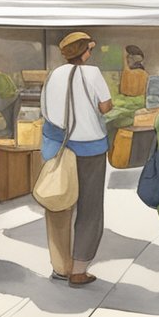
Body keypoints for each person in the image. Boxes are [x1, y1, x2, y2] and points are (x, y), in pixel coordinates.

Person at [40, 32, 112, 286]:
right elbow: (105, 106)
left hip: (59, 148)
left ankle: (60, 267)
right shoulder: (92, 74)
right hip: (90, 149)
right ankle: (79, 270)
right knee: (90, 209)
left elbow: (46, 110)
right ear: (85, 52)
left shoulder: (53, 75)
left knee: (59, 207)